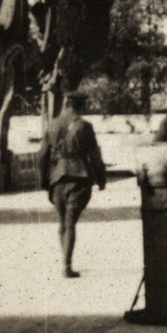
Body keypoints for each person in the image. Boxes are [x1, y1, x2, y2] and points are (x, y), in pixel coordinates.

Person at [38, 91, 107, 278]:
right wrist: (101, 179)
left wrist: (43, 181)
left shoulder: (52, 125)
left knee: (63, 222)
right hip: (79, 176)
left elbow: (42, 155)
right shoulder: (85, 126)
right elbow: (95, 155)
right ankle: (67, 266)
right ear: (80, 106)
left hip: (57, 177)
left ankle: (66, 262)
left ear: (66, 104)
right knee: (70, 222)